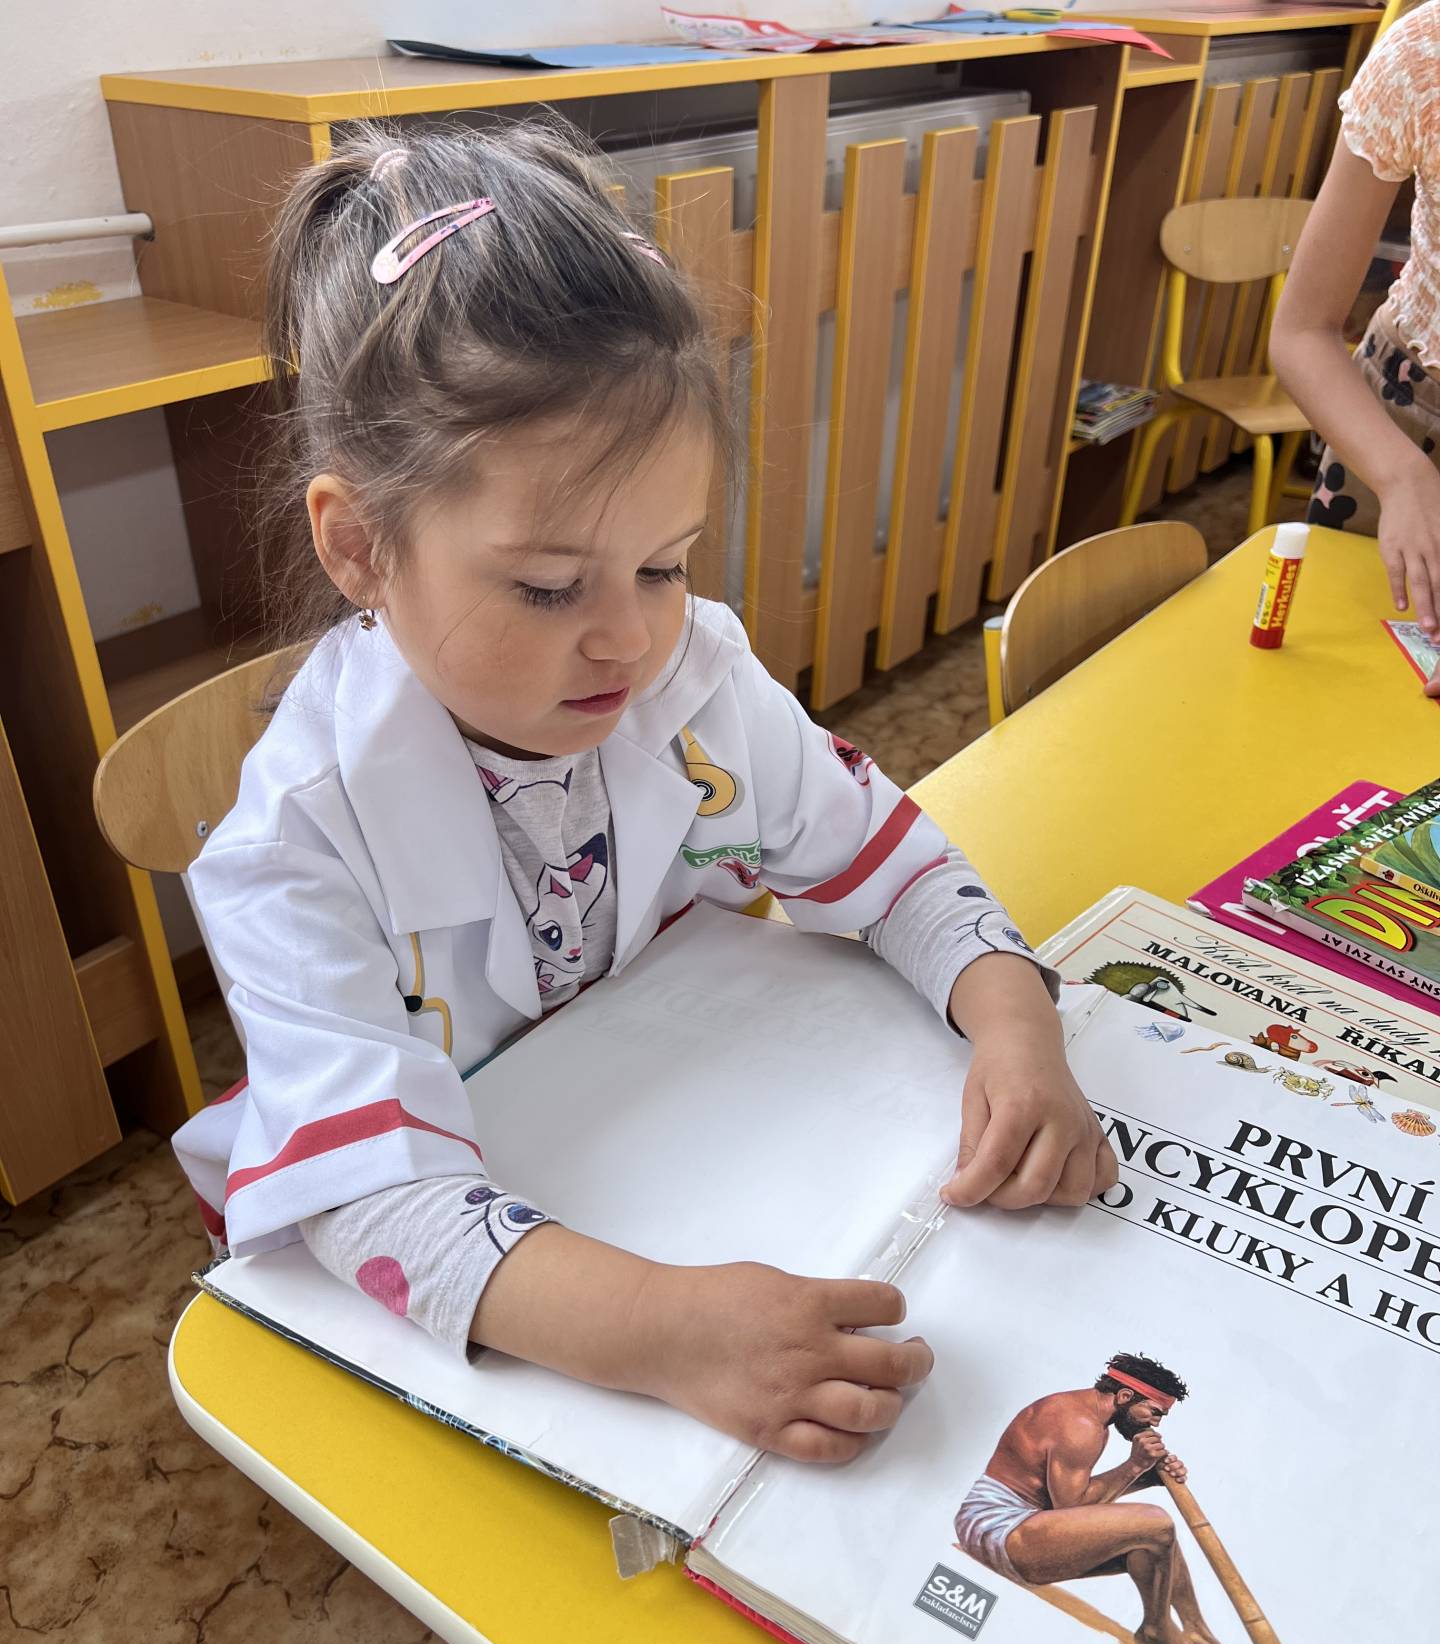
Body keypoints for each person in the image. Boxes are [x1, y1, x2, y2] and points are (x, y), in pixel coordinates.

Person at [174, 119, 1117, 1467]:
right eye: (549, 587)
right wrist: (662, 1333)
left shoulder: (697, 684)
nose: (629, 639)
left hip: (665, 1135)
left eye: (666, 565)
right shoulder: (295, 842)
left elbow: (897, 867)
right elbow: (377, 1199)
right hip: (475, 1283)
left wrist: (1017, 1025)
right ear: (361, 546)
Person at [954, 1354, 1277, 1644]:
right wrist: (1135, 1465)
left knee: (1154, 1540)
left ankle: (1199, 1633)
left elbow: (1073, 1508)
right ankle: (1158, 1632)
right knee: (1156, 1523)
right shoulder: (1080, 1425)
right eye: (1154, 1412)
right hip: (997, 1531)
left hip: (1028, 1526)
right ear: (1125, 1397)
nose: (1156, 1423)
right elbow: (1071, 1510)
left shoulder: (1088, 1416)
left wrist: (1147, 1477)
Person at [1270, 3, 1440, 670]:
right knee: (1344, 688)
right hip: (1400, 426)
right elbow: (1302, 330)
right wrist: (1400, 476)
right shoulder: (1423, 53)